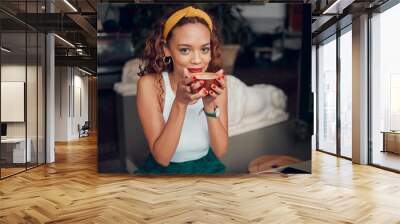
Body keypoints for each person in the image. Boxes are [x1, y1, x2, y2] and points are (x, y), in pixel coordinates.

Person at [135, 6, 228, 174]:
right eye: (185, 50)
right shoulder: (149, 85)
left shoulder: (217, 83)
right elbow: (162, 158)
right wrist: (180, 102)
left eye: (204, 49)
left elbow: (220, 151)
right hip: (164, 172)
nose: (197, 60)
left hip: (206, 167)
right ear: (166, 49)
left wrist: (209, 105)